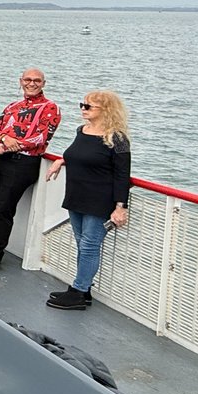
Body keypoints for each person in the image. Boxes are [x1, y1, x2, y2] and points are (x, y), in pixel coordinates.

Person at [0, 68, 61, 276]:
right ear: (21, 81)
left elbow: (40, 139)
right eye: (28, 79)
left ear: (43, 83)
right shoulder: (13, 106)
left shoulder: (50, 108)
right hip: (1, 161)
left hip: (23, 164)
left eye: (37, 80)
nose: (32, 83)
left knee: (4, 208)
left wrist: (5, 144)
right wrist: (3, 139)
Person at [44, 92, 131, 309]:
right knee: (82, 243)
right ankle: (84, 290)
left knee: (90, 245)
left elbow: (122, 174)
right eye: (82, 105)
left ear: (106, 110)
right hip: (77, 195)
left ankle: (78, 292)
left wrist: (120, 207)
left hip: (99, 200)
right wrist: (61, 160)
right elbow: (80, 154)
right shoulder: (81, 131)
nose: (83, 109)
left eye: (89, 106)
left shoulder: (117, 138)